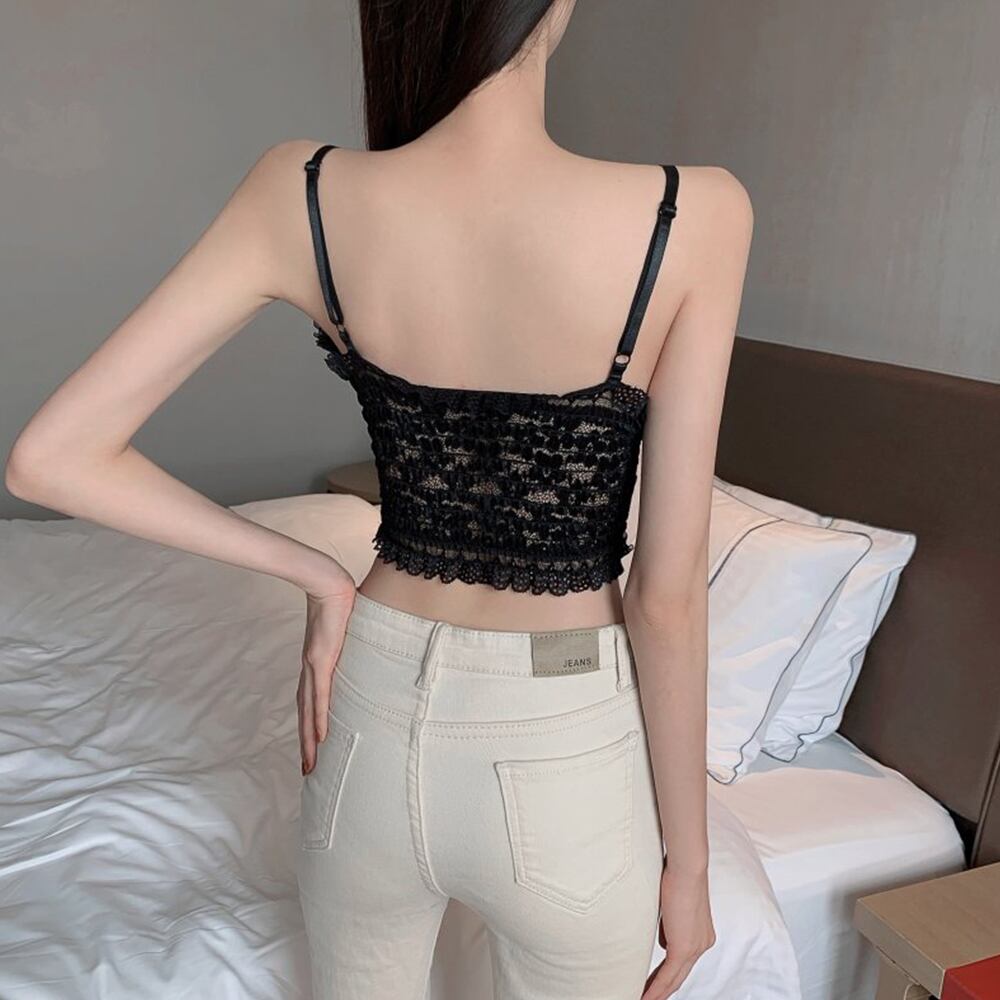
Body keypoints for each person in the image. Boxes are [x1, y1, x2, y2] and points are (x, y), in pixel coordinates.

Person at [4, 1, 752, 997]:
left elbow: (50, 457)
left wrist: (318, 573)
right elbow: (667, 596)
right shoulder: (694, 213)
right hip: (563, 739)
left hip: (370, 717)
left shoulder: (301, 189)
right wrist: (689, 867)